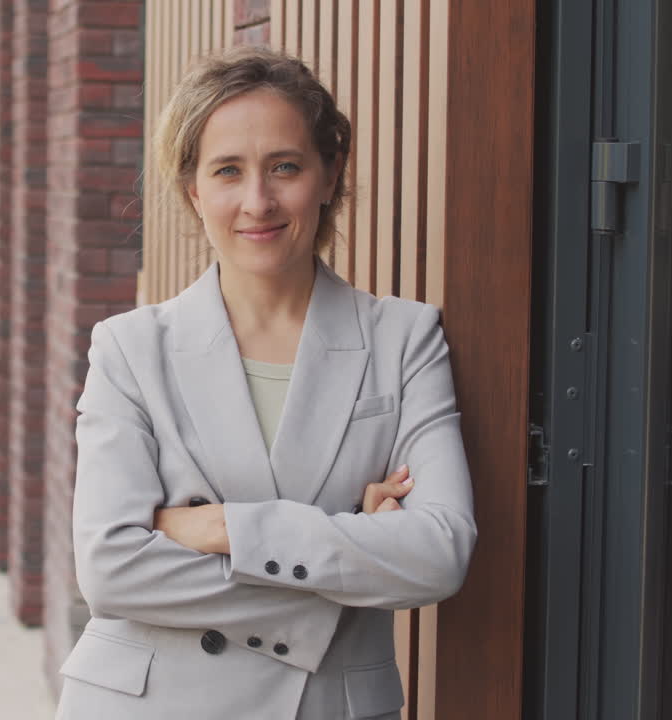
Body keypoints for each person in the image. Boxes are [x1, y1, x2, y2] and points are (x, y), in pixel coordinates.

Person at [55, 46, 476, 720]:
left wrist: (223, 527)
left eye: (285, 166)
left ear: (330, 173)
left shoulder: (405, 339)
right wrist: (348, 548)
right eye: (228, 171)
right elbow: (110, 569)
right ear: (195, 191)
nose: (258, 202)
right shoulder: (131, 349)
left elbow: (437, 555)